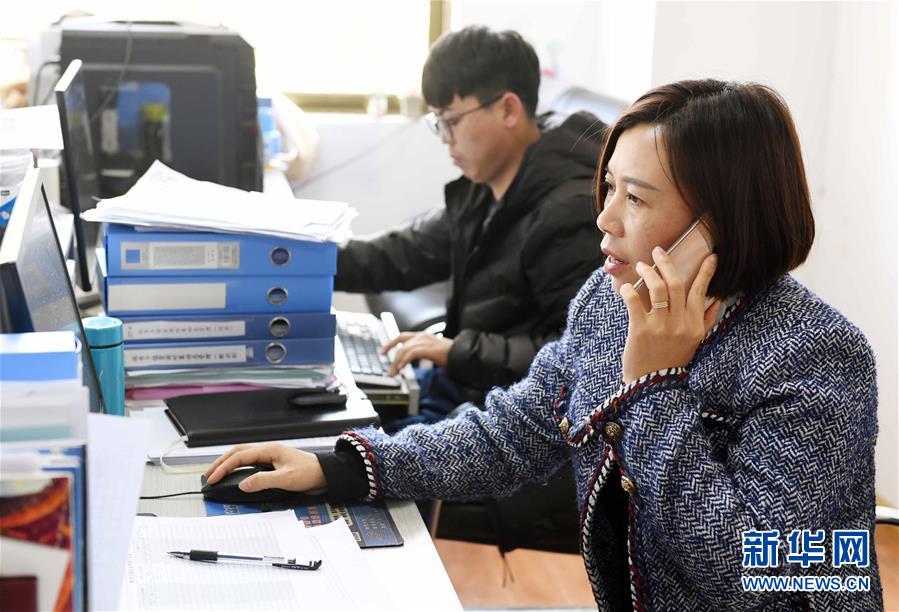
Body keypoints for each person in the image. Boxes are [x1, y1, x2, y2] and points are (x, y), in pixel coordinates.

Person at [206, 79, 882, 609]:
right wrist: (344, 465)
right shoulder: (612, 303)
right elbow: (515, 432)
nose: (604, 218)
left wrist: (654, 389)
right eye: (608, 187)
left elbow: (751, 576)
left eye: (636, 199)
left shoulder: (818, 356)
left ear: (719, 225)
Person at [334, 26, 605, 426]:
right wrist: (298, 257)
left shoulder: (567, 213)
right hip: (464, 384)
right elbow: (404, 253)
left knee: (344, 443)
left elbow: (575, 357)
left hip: (496, 414)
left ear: (508, 110)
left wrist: (456, 352)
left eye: (451, 121)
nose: (445, 139)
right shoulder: (493, 180)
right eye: (438, 123)